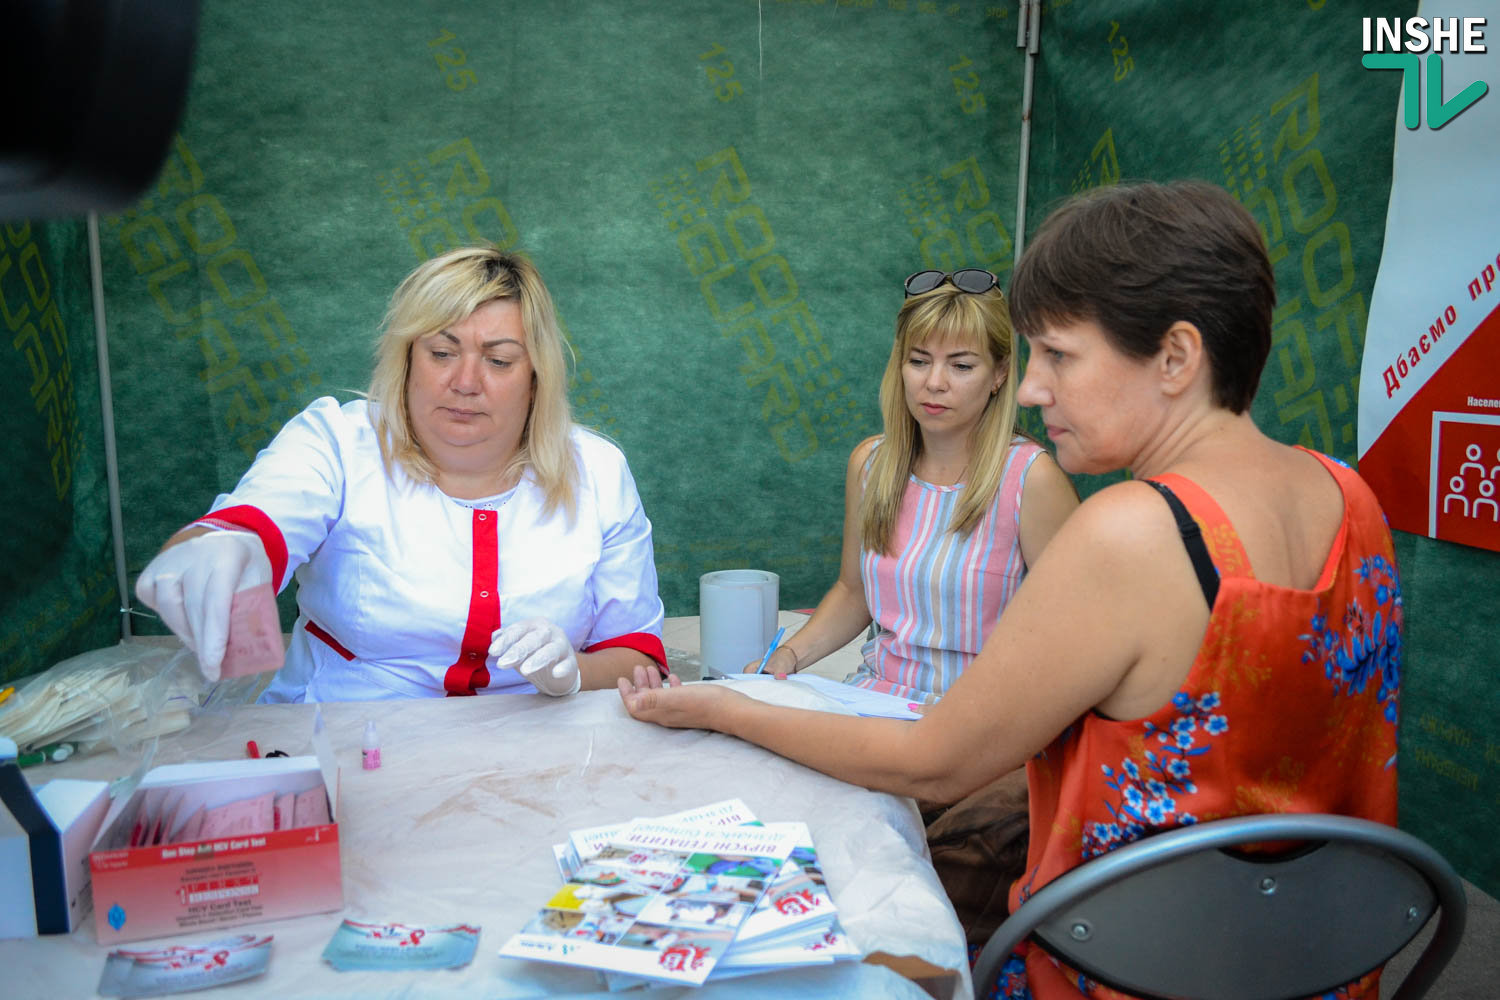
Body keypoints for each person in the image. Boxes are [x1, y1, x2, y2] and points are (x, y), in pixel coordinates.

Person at [620, 181, 1401, 998]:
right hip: (1308, 962)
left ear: (1175, 357)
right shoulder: (1351, 497)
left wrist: (721, 705)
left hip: (1124, 961)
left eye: (1059, 355)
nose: (1030, 388)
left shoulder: (1130, 531)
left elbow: (935, 764)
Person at [135, 245, 668, 702]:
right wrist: (224, 547)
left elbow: (638, 655)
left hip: (537, 750)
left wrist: (571, 675)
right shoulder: (338, 443)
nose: (465, 381)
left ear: (537, 379)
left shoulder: (597, 470)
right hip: (348, 736)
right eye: (441, 352)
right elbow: (254, 521)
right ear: (406, 360)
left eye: (499, 360)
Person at [747, 270, 1078, 704]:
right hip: (874, 699)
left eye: (961, 365)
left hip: (981, 716)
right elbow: (853, 592)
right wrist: (787, 657)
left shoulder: (1031, 479)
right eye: (919, 360)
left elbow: (1077, 630)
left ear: (999, 373)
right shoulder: (871, 464)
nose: (934, 382)